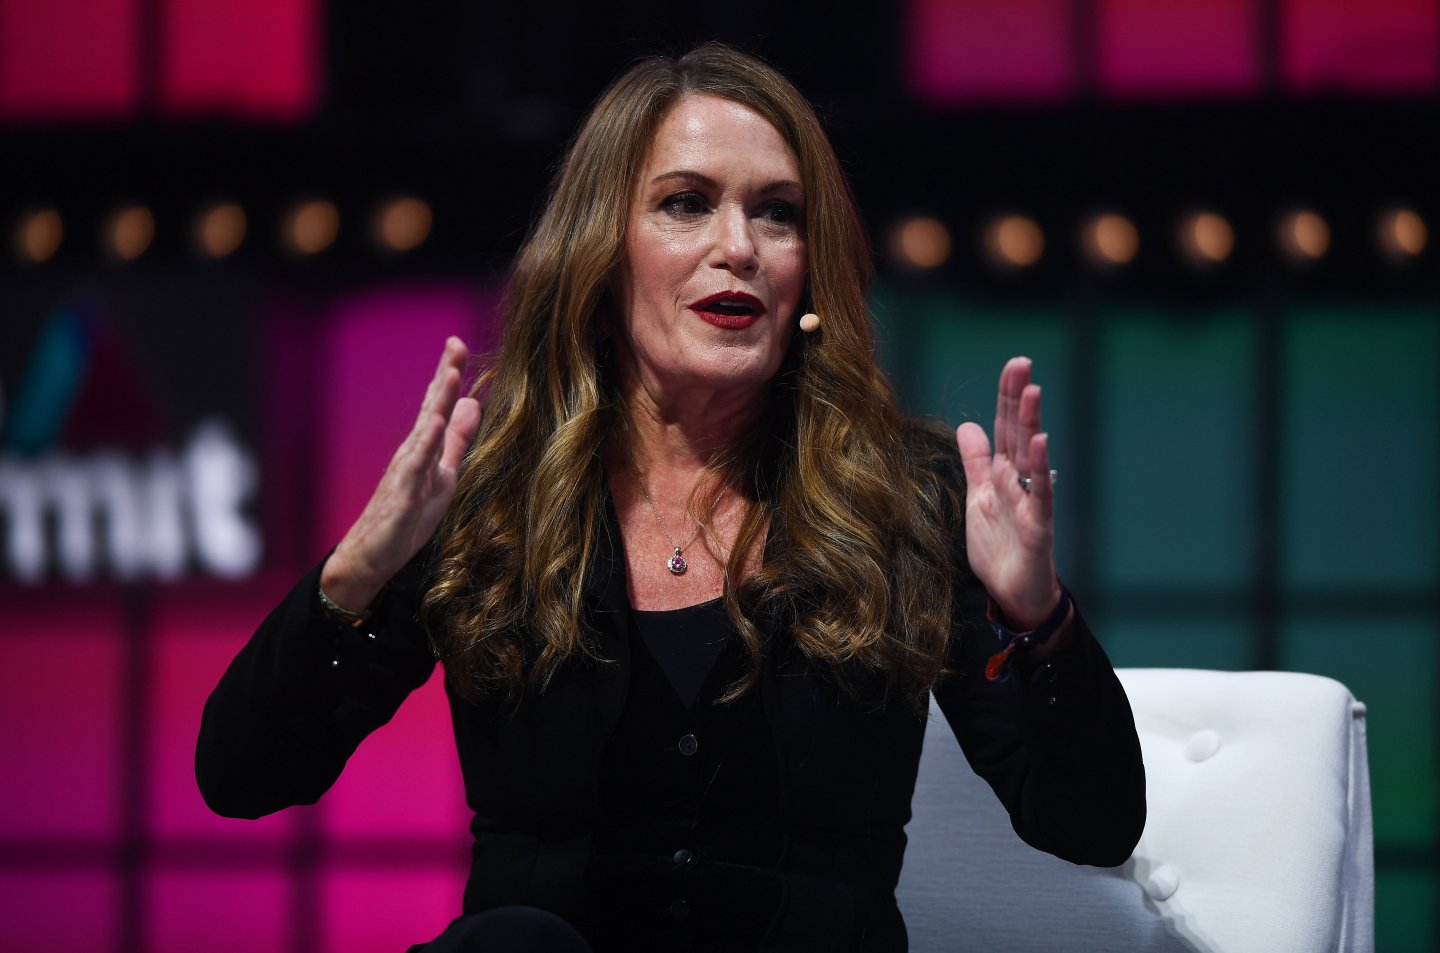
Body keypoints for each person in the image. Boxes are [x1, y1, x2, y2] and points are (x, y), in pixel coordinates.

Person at [197, 43, 1145, 953]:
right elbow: (243, 775)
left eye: (777, 214)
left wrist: (1038, 618)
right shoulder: (492, 502)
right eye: (687, 204)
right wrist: (358, 572)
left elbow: (1091, 821)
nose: (739, 246)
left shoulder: (909, 499)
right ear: (602, 255)